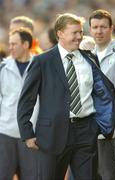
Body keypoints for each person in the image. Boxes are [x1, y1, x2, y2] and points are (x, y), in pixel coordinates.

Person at [17, 13, 115, 180]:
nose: (79, 37)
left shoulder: (89, 58)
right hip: (51, 135)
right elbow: (27, 99)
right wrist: (27, 133)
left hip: (86, 131)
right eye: (74, 33)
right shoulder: (42, 61)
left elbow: (100, 93)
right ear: (60, 34)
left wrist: (98, 125)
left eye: (80, 32)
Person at [85, 9, 115, 180]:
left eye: (103, 27)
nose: (99, 31)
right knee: (107, 177)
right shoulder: (87, 58)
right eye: (95, 27)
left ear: (111, 28)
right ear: (90, 30)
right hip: (100, 132)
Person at [0, 28, 38, 179]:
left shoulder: (40, 66)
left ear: (26, 44)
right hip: (5, 134)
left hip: (31, 135)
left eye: (14, 44)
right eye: (10, 44)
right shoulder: (3, 67)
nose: (10, 48)